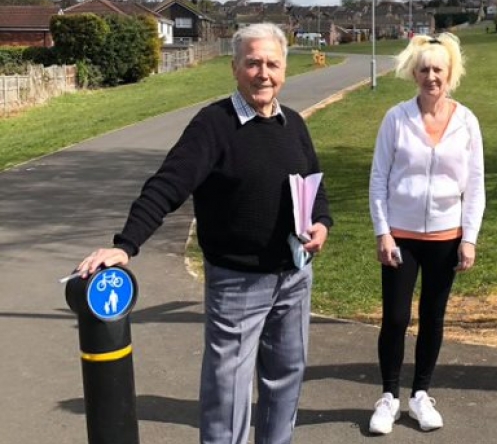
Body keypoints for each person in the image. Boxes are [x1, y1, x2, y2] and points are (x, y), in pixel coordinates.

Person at [74, 22, 333, 444]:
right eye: (253, 63)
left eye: (271, 63)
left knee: (285, 380)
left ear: (285, 68)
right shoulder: (214, 125)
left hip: (294, 278)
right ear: (234, 68)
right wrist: (126, 245)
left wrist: (321, 223)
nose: (263, 73)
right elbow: (168, 184)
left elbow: (314, 186)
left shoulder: (294, 124)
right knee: (227, 397)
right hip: (237, 284)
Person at [367, 33, 485, 434]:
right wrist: (382, 232)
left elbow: (476, 184)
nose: (431, 77)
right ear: (413, 73)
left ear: (450, 73)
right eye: (424, 69)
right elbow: (379, 177)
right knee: (396, 317)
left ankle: (420, 395)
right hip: (401, 235)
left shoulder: (467, 121)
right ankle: (388, 397)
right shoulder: (396, 118)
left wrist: (468, 237)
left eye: (438, 69)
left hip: (445, 236)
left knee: (433, 317)